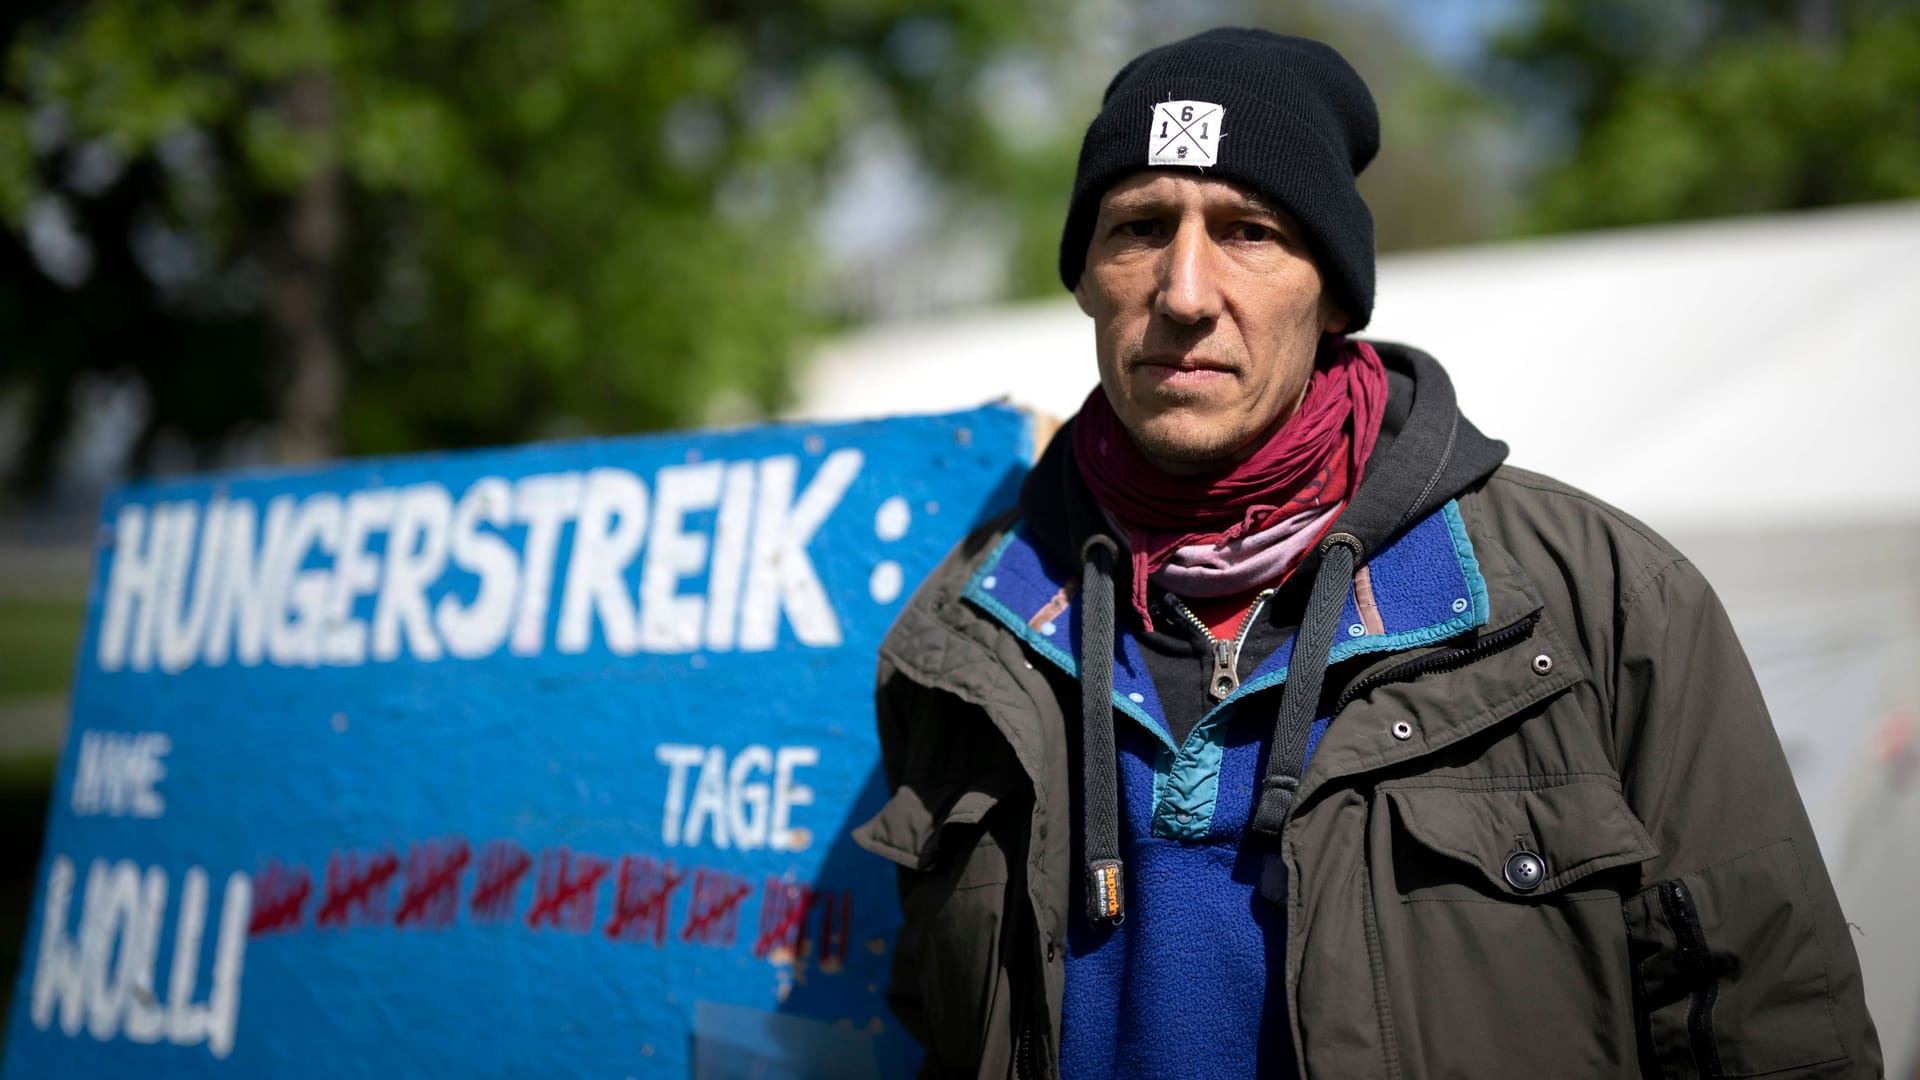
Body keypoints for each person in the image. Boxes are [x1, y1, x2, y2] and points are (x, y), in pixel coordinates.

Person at [851, 26, 1882, 1079]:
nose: (1187, 290)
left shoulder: (1598, 603)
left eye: (1249, 230)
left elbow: (1776, 1030)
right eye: (1139, 228)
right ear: (1086, 280)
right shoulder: (966, 637)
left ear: (1335, 291)